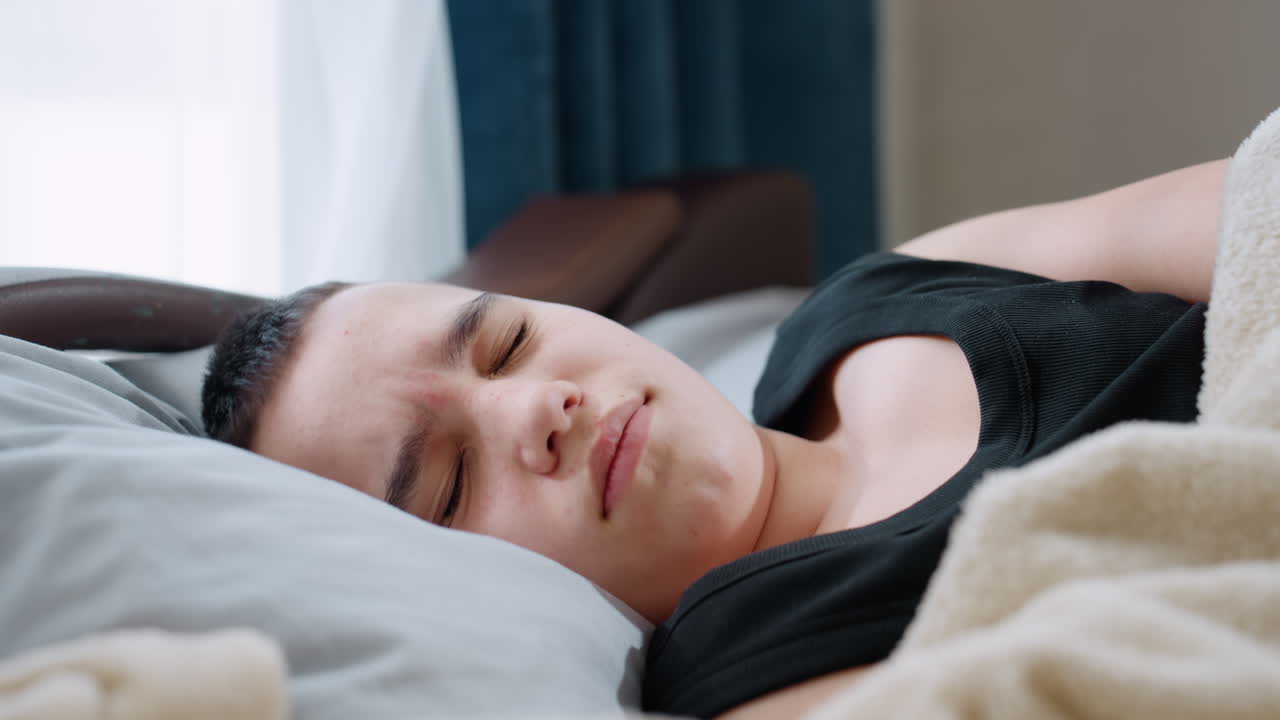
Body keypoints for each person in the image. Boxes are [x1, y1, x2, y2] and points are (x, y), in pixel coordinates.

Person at [201, 158, 1225, 719]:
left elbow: (1245, 204)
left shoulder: (886, 289)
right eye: (448, 479)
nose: (534, 410)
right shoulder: (754, 672)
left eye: (508, 341)